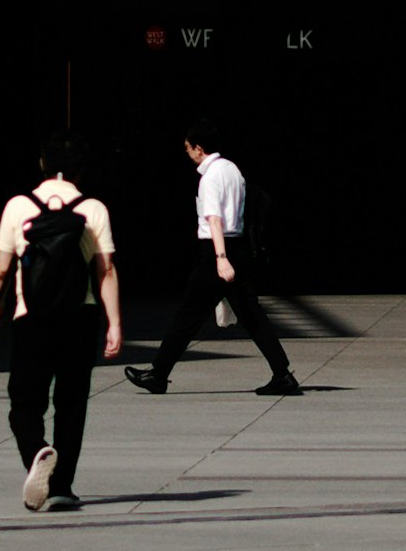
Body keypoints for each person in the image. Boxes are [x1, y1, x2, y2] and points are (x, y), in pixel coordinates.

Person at [0, 137, 122, 511]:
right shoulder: (93, 209)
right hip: (80, 317)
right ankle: (62, 486)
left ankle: (36, 451)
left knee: (24, 403)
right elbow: (105, 269)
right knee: (72, 403)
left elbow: (1, 266)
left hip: (31, 317)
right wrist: (115, 324)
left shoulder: (19, 206)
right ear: (81, 169)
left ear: (42, 163)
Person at [126, 121, 302, 397]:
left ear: (199, 148)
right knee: (251, 315)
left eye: (188, 148)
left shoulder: (209, 177)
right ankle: (282, 373)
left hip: (216, 252)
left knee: (187, 316)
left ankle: (158, 374)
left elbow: (214, 219)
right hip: (238, 248)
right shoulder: (233, 169)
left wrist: (220, 258)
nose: (187, 154)